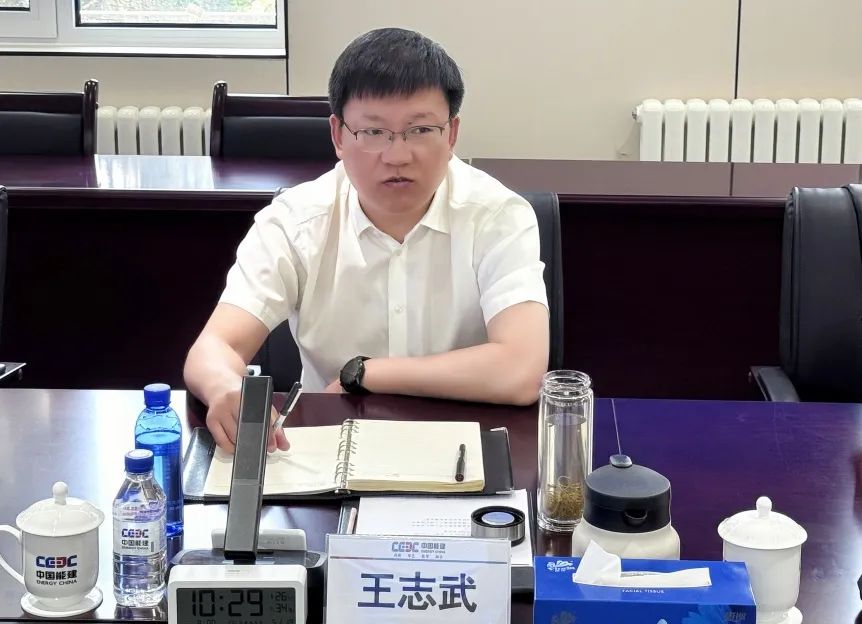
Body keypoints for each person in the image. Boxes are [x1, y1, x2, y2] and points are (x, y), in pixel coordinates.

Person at [184, 28, 549, 453]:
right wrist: (227, 388)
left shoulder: (498, 216)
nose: (397, 156)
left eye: (420, 129)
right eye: (374, 132)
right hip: (330, 447)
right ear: (338, 136)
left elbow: (522, 370)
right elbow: (214, 347)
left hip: (466, 449)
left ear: (451, 134)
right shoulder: (296, 221)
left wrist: (365, 374)